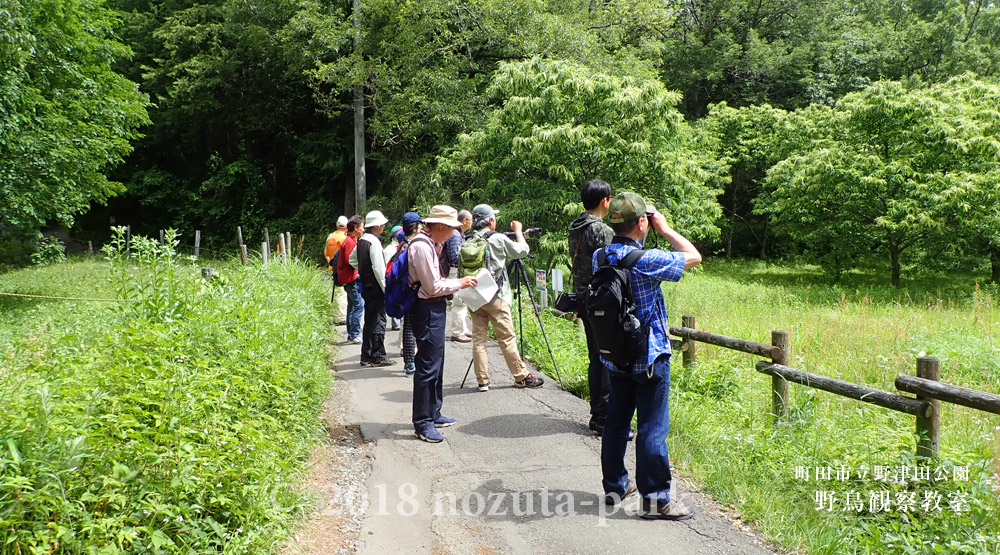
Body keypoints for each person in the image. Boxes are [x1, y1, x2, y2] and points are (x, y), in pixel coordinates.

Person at [596, 192, 701, 521]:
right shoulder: (648, 259)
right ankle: (656, 499)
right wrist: (666, 229)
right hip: (650, 356)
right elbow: (693, 256)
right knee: (652, 427)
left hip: (615, 355)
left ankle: (615, 487)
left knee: (616, 424)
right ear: (642, 222)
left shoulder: (602, 255)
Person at [407, 205, 478, 442]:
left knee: (437, 363)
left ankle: (434, 412)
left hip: (434, 308)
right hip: (426, 309)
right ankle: (423, 422)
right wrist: (461, 283)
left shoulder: (430, 244)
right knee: (427, 366)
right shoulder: (421, 247)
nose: (452, 235)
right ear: (439, 226)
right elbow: (432, 287)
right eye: (451, 229)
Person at [467, 204, 544, 392]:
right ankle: (521, 377)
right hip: (495, 296)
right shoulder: (497, 238)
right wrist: (518, 232)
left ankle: (482, 381)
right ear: (491, 220)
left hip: (474, 296)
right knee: (507, 338)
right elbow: (522, 251)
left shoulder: (467, 238)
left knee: (478, 339)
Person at [568, 180, 618, 436]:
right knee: (607, 357)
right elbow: (613, 265)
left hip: (583, 298)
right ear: (605, 201)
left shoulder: (575, 226)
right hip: (601, 301)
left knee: (595, 357)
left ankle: (597, 413)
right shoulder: (601, 230)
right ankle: (604, 416)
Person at [350, 210, 393, 367]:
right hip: (376, 286)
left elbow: (352, 259)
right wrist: (386, 289)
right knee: (378, 321)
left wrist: (362, 268)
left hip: (366, 285)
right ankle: (378, 356)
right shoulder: (373, 242)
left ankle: (366, 355)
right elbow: (379, 269)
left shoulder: (362, 240)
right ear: (379, 225)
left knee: (369, 320)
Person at [398, 212, 423, 375]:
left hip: (405, 290)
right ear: (414, 228)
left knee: (409, 325)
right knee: (412, 327)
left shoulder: (401, 244)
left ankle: (410, 361)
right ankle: (411, 362)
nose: (422, 228)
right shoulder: (413, 246)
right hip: (413, 290)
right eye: (420, 225)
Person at [442, 209, 472, 342]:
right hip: (455, 271)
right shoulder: (455, 235)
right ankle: (457, 332)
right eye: (471, 220)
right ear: (464, 221)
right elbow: (454, 256)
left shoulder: (459, 234)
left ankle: (463, 329)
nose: (472, 222)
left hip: (457, 271)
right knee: (459, 302)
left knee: (462, 301)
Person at [337, 215, 365, 343]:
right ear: (355, 228)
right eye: (362, 227)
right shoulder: (349, 242)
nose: (363, 230)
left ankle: (352, 333)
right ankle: (354, 334)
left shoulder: (350, 240)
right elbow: (351, 261)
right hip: (351, 279)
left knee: (353, 305)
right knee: (359, 305)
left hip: (349, 278)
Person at [325, 216, 350, 321]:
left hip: (332, 267)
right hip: (341, 268)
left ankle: (336, 314)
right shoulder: (344, 238)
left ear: (337, 225)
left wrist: (331, 264)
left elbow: (326, 253)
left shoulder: (330, 237)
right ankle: (340, 317)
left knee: (336, 292)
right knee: (342, 294)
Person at [385, 224, 404, 331]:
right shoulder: (389, 249)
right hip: (393, 277)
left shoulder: (401, 246)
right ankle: (396, 322)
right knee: (395, 298)